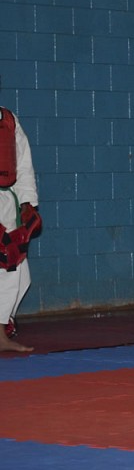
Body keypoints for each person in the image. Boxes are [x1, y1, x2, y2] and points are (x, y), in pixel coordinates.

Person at [1, 106, 41, 353]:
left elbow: (23, 165)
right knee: (6, 271)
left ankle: (4, 323)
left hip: (7, 202)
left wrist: (28, 204)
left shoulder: (7, 119)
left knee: (19, 274)